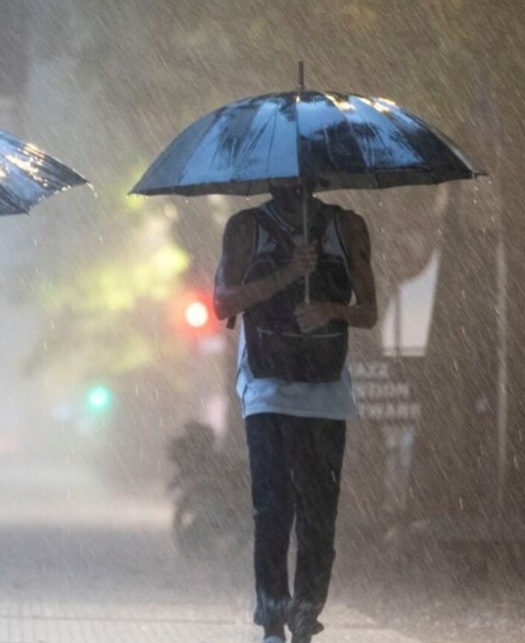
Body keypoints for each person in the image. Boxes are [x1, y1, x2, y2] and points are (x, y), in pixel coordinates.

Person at [213, 185, 377, 643]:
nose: (295, 183)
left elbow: (370, 311)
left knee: (318, 512)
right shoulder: (246, 228)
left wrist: (328, 310)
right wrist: (288, 274)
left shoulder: (346, 227)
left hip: (325, 392)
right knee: (272, 506)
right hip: (266, 389)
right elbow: (223, 303)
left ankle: (306, 611)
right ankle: (271, 615)